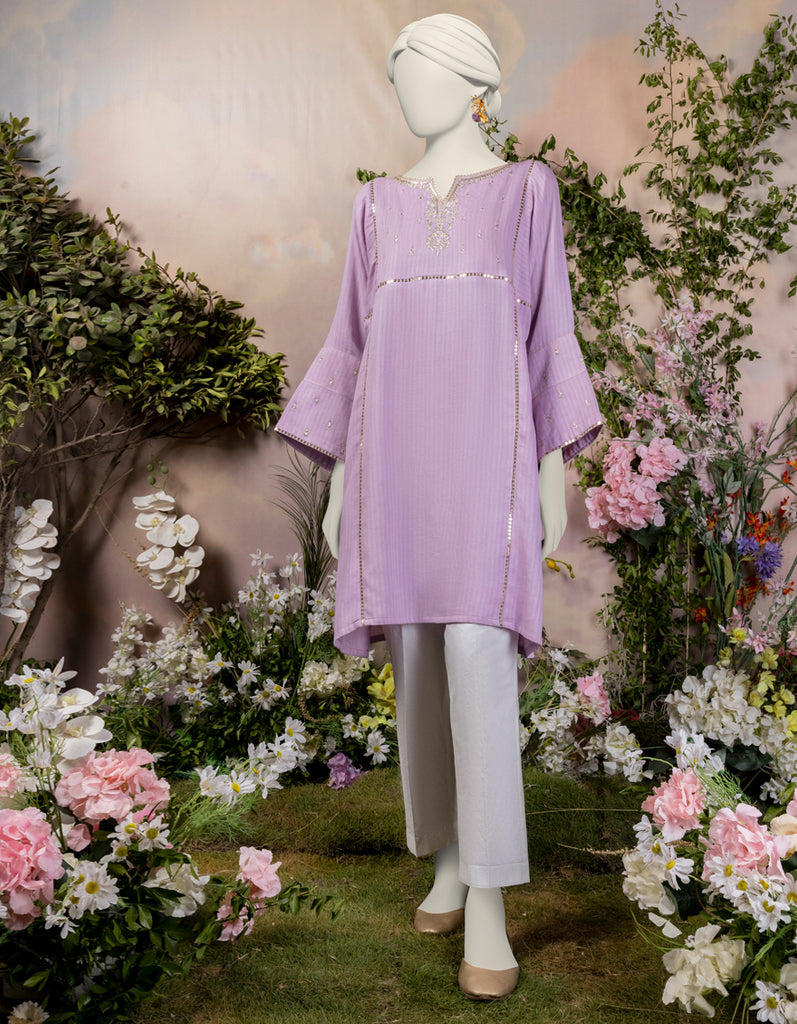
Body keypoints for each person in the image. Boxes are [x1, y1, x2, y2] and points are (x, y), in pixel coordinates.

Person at [275, 13, 601, 1000]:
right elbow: (352, 340)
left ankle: (490, 903)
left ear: (474, 86)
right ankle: (449, 859)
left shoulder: (527, 191)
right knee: (418, 662)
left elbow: (547, 331)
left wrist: (550, 471)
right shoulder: (376, 206)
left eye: (420, 71)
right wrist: (339, 480)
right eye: (397, 76)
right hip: (394, 466)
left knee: (476, 658)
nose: (406, 91)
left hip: (487, 460)